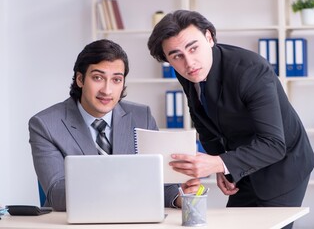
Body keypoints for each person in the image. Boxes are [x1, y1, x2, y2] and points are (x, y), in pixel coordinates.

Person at [148, 10, 314, 228]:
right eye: (176, 55)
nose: (189, 62)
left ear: (209, 38)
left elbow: (274, 145)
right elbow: (204, 119)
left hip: (283, 165)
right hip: (242, 163)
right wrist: (222, 165)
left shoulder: (251, 70)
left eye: (193, 48)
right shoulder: (187, 70)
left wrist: (219, 163)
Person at [29, 39, 200, 211]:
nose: (107, 90)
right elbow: (58, 194)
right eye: (97, 78)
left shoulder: (142, 117)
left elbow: (159, 183)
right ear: (80, 79)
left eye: (116, 80)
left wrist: (179, 195)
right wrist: (127, 188)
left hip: (132, 220)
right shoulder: (45, 125)